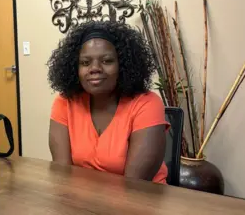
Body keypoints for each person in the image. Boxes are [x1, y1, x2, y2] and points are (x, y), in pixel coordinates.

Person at [47, 21, 169, 184]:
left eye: (107, 61)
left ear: (123, 65)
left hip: (141, 203)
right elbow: (62, 177)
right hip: (81, 202)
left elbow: (135, 186)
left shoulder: (147, 104)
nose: (94, 68)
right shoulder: (65, 103)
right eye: (85, 62)